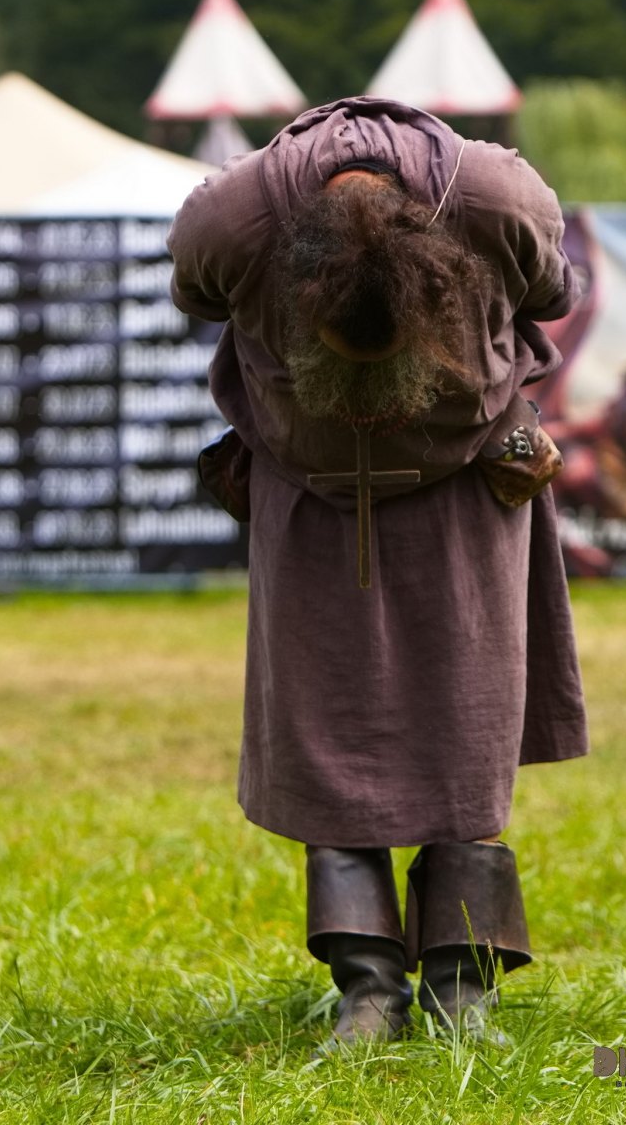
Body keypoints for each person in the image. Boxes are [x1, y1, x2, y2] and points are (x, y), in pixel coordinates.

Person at [168, 97, 588, 1047]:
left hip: (471, 491)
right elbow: (198, 292)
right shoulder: (232, 219)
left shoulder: (495, 197)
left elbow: (552, 289)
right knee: (325, 732)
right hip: (307, 498)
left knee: (469, 724)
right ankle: (367, 990)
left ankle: (461, 988)